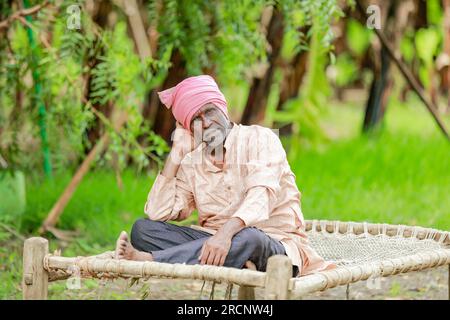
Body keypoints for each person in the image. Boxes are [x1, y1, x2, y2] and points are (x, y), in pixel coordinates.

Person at [115, 75, 335, 277]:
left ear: (223, 109)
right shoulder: (192, 161)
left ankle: (152, 260)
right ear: (190, 129)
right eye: (196, 120)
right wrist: (177, 154)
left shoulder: (260, 139)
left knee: (249, 237)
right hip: (212, 242)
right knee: (143, 230)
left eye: (210, 111)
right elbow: (157, 213)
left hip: (272, 244)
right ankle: (237, 262)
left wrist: (224, 235)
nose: (207, 123)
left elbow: (260, 198)